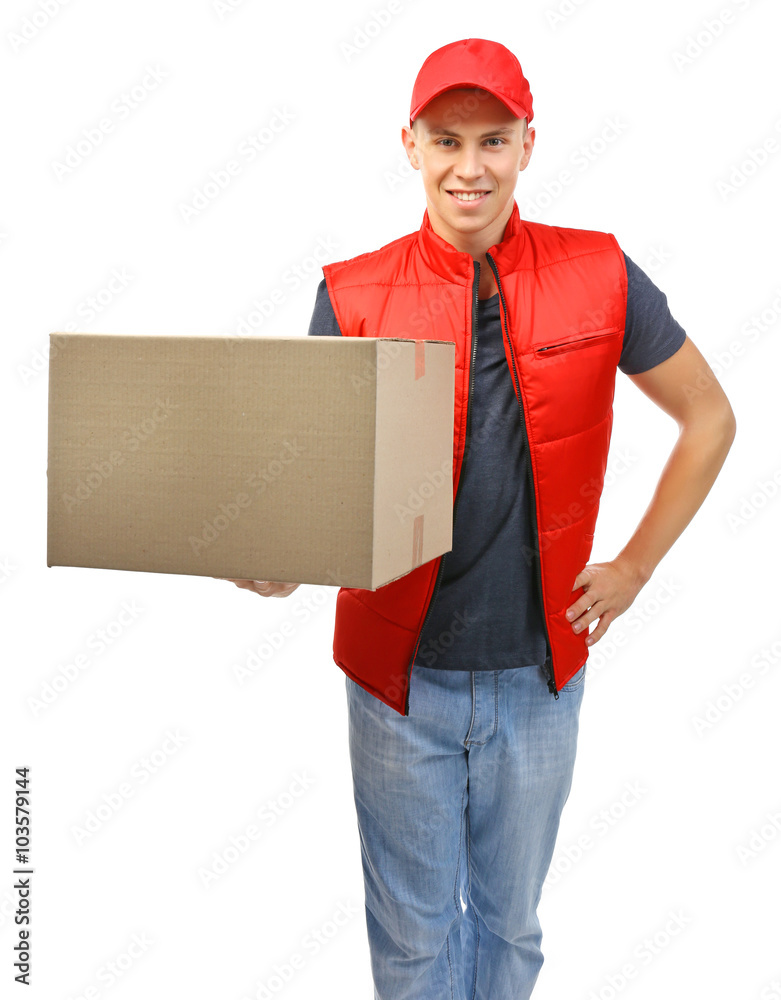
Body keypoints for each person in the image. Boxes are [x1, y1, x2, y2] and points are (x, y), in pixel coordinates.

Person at [221, 37, 736, 1000]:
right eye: (446, 140)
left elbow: (710, 416)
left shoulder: (601, 273)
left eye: (492, 140)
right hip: (396, 682)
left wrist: (633, 568)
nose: (469, 167)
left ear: (528, 145)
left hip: (539, 676)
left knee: (509, 929)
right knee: (413, 942)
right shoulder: (352, 293)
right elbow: (322, 483)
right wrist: (283, 559)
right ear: (408, 145)